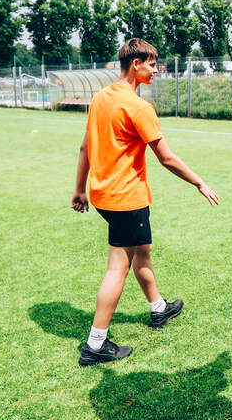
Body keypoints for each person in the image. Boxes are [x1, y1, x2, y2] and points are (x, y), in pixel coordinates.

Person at [70, 37, 220, 365]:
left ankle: (158, 308)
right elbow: (166, 157)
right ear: (135, 64)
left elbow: (85, 147)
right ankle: (95, 344)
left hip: (104, 195)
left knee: (143, 250)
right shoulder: (138, 107)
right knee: (118, 267)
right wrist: (199, 182)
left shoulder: (100, 99)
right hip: (126, 197)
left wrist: (80, 189)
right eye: (151, 64)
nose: (156, 70)